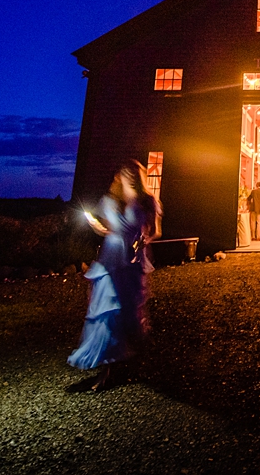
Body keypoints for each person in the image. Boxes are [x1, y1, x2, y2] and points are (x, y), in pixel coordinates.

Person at [68, 159, 160, 391]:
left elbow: (154, 231)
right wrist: (99, 229)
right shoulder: (109, 201)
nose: (116, 180)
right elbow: (108, 228)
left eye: (121, 176)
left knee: (129, 311)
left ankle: (135, 359)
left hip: (131, 260)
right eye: (116, 176)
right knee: (108, 311)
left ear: (131, 178)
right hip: (111, 256)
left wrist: (143, 241)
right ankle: (108, 370)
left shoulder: (145, 202)